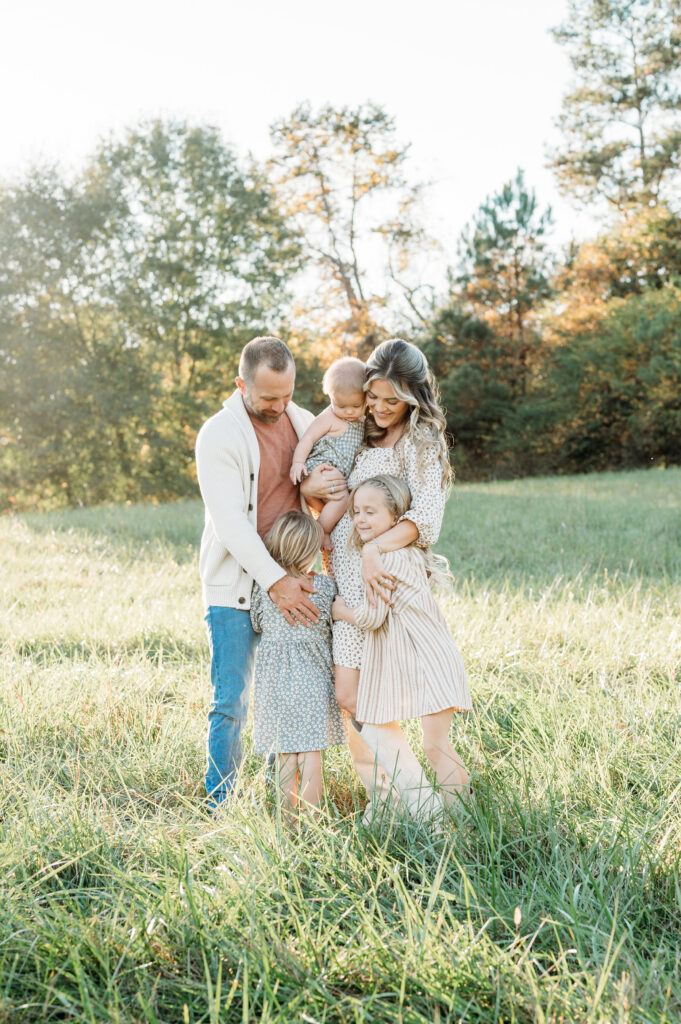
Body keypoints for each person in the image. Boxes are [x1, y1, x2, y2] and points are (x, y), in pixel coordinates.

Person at [301, 338, 454, 818]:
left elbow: (427, 516)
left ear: (415, 396)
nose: (383, 409)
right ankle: (387, 799)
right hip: (344, 576)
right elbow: (329, 484)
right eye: (375, 397)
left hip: (387, 583)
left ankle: (424, 805)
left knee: (373, 695)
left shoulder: (422, 441)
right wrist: (308, 485)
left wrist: (373, 549)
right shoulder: (356, 429)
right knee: (351, 696)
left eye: (395, 401)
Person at [195, 336, 345, 808]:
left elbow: (316, 483)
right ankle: (221, 804)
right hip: (238, 587)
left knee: (280, 697)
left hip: (295, 576)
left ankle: (274, 802)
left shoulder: (302, 421)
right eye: (268, 399)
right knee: (232, 701)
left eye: (287, 394)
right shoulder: (218, 435)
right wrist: (275, 582)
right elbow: (230, 524)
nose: (280, 407)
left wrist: (318, 484)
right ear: (242, 386)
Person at [331, 475, 471, 821]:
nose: (360, 519)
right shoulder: (404, 552)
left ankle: (458, 821)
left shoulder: (385, 560)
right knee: (436, 745)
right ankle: (452, 816)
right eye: (356, 511)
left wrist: (338, 610)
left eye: (370, 512)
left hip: (428, 660)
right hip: (433, 657)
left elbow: (372, 618)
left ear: (396, 518)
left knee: (435, 748)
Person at [250, 509, 344, 817]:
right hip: (314, 683)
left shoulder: (267, 591)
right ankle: (314, 823)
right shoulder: (325, 588)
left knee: (286, 755)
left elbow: (256, 623)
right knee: (311, 755)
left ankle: (286, 824)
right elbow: (333, 628)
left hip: (275, 684)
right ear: (311, 551)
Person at [289, 357, 366, 550]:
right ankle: (322, 531)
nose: (348, 412)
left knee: (337, 508)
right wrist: (298, 463)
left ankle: (325, 522)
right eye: (340, 406)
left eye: (356, 406)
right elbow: (307, 439)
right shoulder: (328, 417)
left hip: (334, 478)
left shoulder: (364, 420)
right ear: (330, 398)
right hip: (323, 469)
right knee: (343, 499)